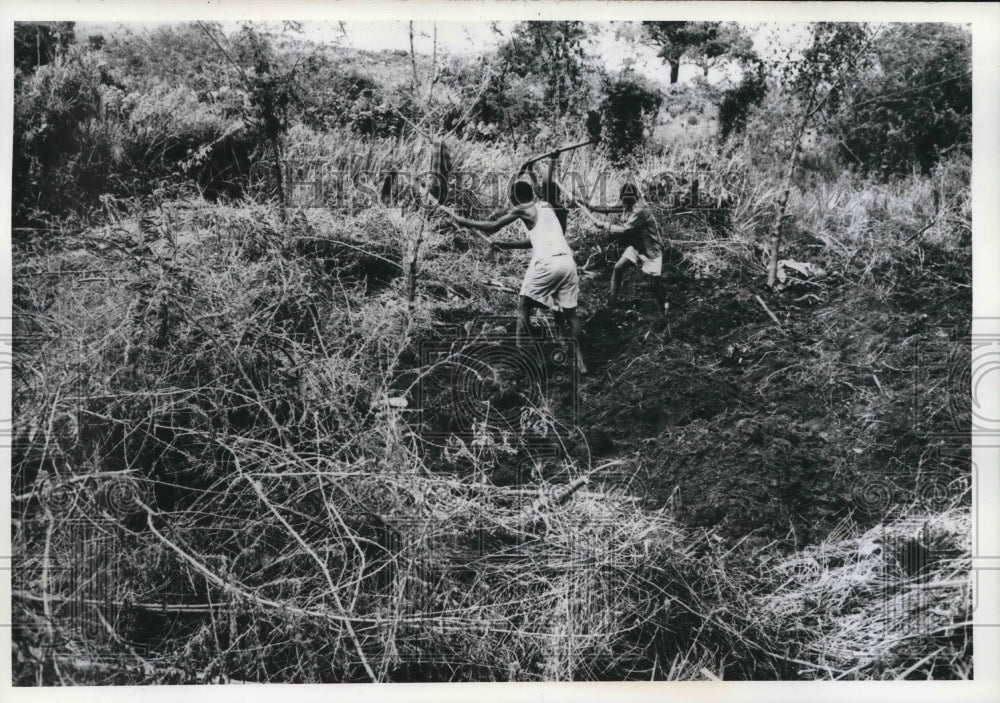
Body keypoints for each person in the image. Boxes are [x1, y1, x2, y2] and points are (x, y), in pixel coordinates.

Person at [436, 158, 588, 375]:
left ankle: (527, 357)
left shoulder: (521, 209)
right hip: (567, 263)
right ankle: (577, 360)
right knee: (571, 316)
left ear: (516, 199)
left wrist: (465, 221)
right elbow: (533, 239)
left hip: (547, 264)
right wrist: (506, 245)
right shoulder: (546, 205)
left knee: (524, 307)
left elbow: (492, 226)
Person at [570, 180, 668, 318]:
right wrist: (583, 203)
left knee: (654, 286)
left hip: (650, 251)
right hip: (636, 247)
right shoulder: (628, 203)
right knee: (618, 268)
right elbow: (604, 208)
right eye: (622, 199)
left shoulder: (640, 210)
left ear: (632, 198)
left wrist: (604, 225)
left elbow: (625, 231)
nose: (622, 202)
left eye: (625, 199)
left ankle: (663, 314)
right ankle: (610, 304)